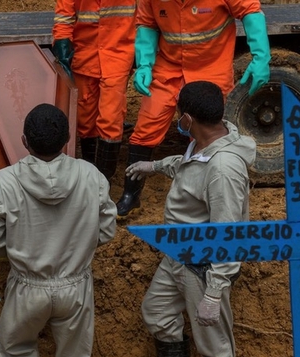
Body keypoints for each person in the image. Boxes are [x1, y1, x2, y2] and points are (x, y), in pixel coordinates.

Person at [126, 81, 256, 357]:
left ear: (188, 118)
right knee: (156, 312)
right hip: (177, 255)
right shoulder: (204, 140)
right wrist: (154, 166)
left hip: (202, 265)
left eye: (179, 115)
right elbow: (189, 167)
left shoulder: (224, 169)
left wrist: (214, 292)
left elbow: (229, 234)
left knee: (216, 348)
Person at [0, 103, 117, 357]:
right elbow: (106, 230)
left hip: (27, 285)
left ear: (24, 142)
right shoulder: (91, 176)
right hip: (76, 285)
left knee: (16, 351)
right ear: (68, 140)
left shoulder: (5, 181)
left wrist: (16, 251)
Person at [115, 0, 270, 218]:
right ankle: (130, 195)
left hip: (211, 65)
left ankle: (211, 190)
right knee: (146, 127)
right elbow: (147, 23)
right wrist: (144, 64)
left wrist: (260, 55)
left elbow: (250, 11)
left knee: (208, 132)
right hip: (168, 67)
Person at [52, 0, 135, 180]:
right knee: (85, 119)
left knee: (110, 119)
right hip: (84, 55)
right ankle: (89, 173)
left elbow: (145, 15)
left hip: (118, 54)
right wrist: (62, 44)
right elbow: (64, 16)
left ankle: (104, 181)